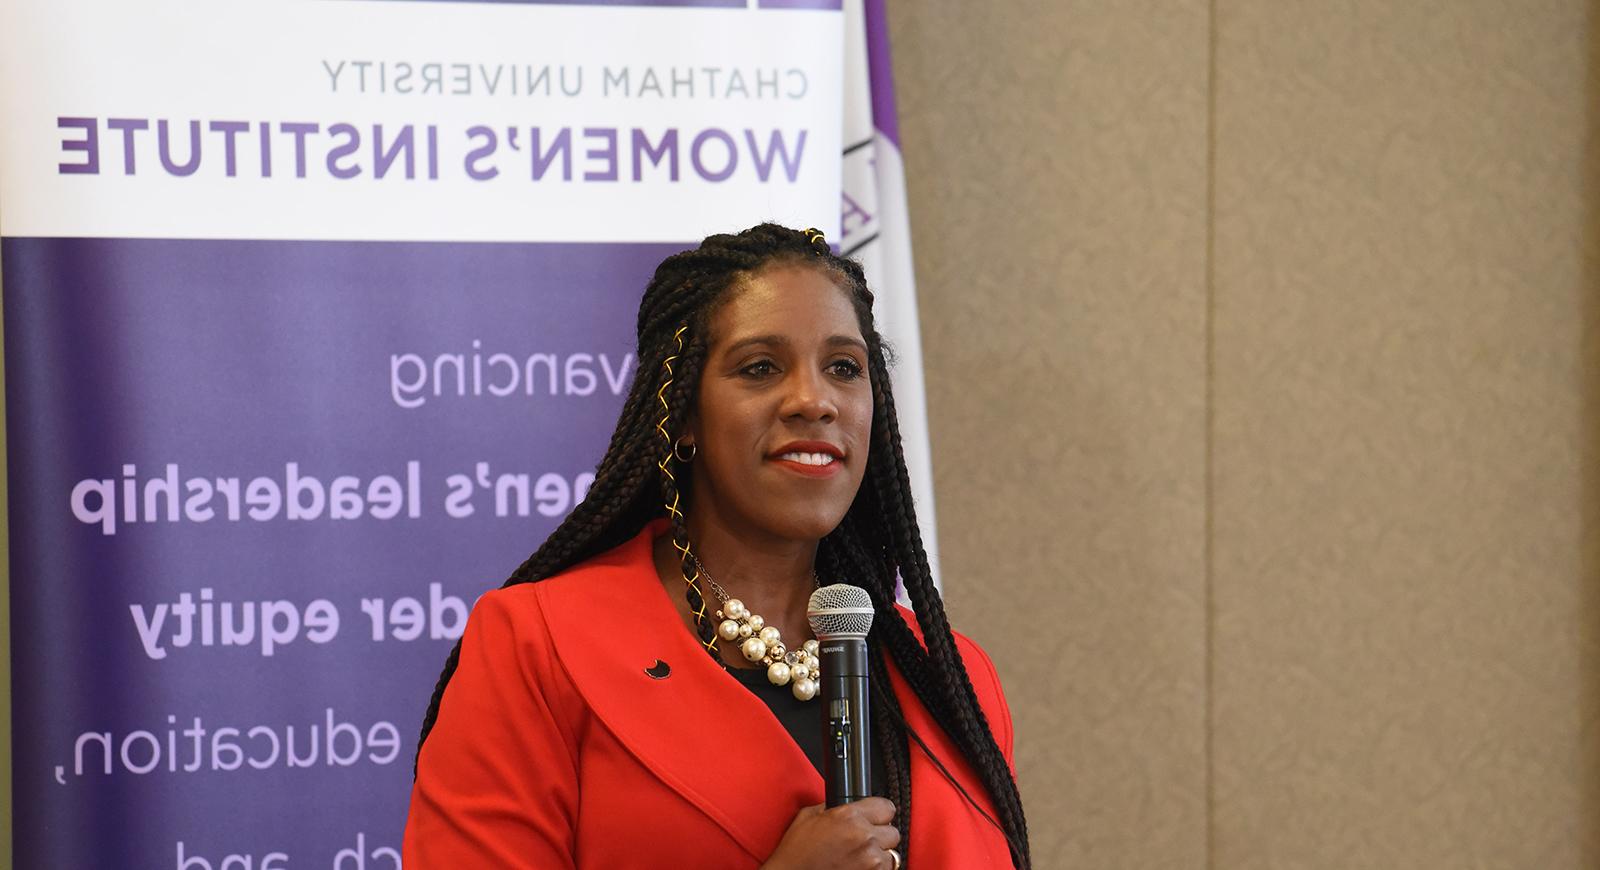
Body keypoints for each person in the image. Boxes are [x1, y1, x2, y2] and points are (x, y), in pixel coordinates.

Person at [405, 224, 1030, 869]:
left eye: (844, 368)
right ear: (681, 416)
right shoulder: (538, 648)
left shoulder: (951, 677)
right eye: (760, 367)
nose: (814, 400)